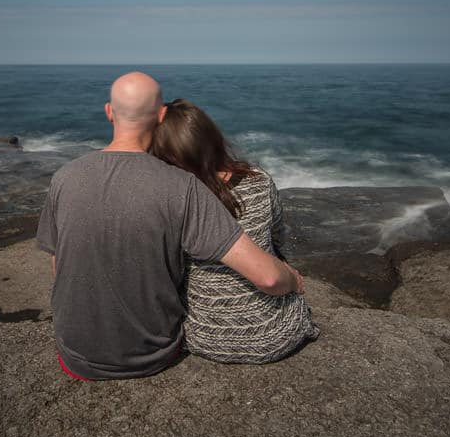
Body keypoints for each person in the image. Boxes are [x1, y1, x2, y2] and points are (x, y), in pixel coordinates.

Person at [36, 72, 304, 380]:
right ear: (162, 114)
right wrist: (293, 280)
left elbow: (59, 269)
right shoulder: (182, 186)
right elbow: (268, 277)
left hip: (74, 358)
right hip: (154, 357)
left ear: (108, 111)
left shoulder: (64, 177)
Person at [151, 99, 319, 363]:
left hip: (205, 335)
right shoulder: (259, 180)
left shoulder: (172, 199)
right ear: (212, 137)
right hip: (279, 331)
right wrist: (286, 272)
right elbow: (276, 236)